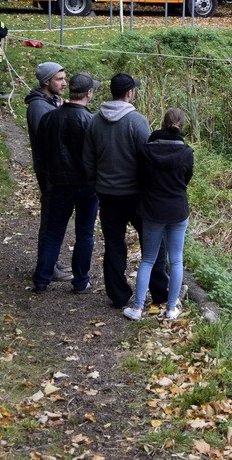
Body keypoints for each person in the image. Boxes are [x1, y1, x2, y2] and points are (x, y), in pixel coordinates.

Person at [83, 73, 169, 310]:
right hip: (136, 194)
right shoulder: (137, 121)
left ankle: (118, 295)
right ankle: (160, 293)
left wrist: (95, 183)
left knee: (113, 244)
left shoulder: (95, 121)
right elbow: (148, 158)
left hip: (107, 194)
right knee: (152, 244)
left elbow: (88, 159)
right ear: (130, 93)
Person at [123, 108, 194, 321]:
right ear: (182, 126)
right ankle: (171, 309)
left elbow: (140, 179)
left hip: (152, 210)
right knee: (176, 260)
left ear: (162, 124)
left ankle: (136, 309)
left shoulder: (146, 150)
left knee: (148, 260)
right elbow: (185, 180)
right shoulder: (187, 153)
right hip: (178, 210)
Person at [32, 72, 99, 294]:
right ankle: (80, 281)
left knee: (54, 231)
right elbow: (95, 156)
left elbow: (40, 152)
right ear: (88, 93)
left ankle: (41, 278)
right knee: (85, 233)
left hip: (58, 183)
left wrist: (48, 177)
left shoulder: (50, 118)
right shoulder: (90, 121)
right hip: (86, 185)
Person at [24, 62, 73, 282]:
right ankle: (46, 265)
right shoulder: (38, 107)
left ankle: (50, 260)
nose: (64, 83)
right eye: (59, 80)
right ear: (46, 82)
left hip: (55, 170)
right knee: (50, 219)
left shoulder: (49, 102)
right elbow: (49, 139)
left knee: (55, 217)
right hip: (49, 172)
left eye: (64, 79)